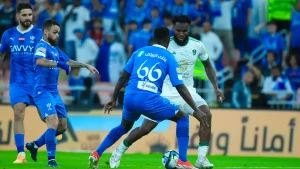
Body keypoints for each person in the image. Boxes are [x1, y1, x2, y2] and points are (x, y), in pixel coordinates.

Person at [110, 15, 224, 169]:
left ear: (189, 29)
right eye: (178, 30)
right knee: (145, 129)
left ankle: (201, 159)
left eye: (184, 30)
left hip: (187, 92)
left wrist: (215, 87)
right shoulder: (164, 45)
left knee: (206, 116)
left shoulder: (198, 45)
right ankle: (119, 151)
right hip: (164, 93)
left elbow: (208, 65)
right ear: (172, 29)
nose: (181, 33)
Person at [88, 27, 209, 169]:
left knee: (123, 127)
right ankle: (182, 160)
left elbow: (123, 77)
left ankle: (97, 153)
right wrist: (195, 109)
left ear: (154, 39)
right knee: (182, 117)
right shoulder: (169, 56)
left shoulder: (139, 52)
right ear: (167, 41)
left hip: (130, 97)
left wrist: (113, 98)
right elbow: (180, 87)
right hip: (149, 99)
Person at [24, 19, 98, 167]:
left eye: (59, 32)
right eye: (55, 32)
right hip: (42, 91)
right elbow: (40, 61)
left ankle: (35, 145)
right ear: (46, 32)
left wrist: (85, 65)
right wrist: (59, 64)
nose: (58, 35)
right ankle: (51, 160)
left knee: (62, 127)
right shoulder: (42, 46)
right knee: (53, 122)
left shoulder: (55, 49)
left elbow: (68, 61)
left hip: (54, 92)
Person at [0, 3, 42, 163]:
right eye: (24, 15)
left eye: (30, 15)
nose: (27, 18)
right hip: (17, 82)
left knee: (48, 119)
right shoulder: (8, 34)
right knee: (18, 114)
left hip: (37, 82)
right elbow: (2, 53)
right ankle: (21, 154)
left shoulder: (39, 34)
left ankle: (40, 141)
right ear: (17, 16)